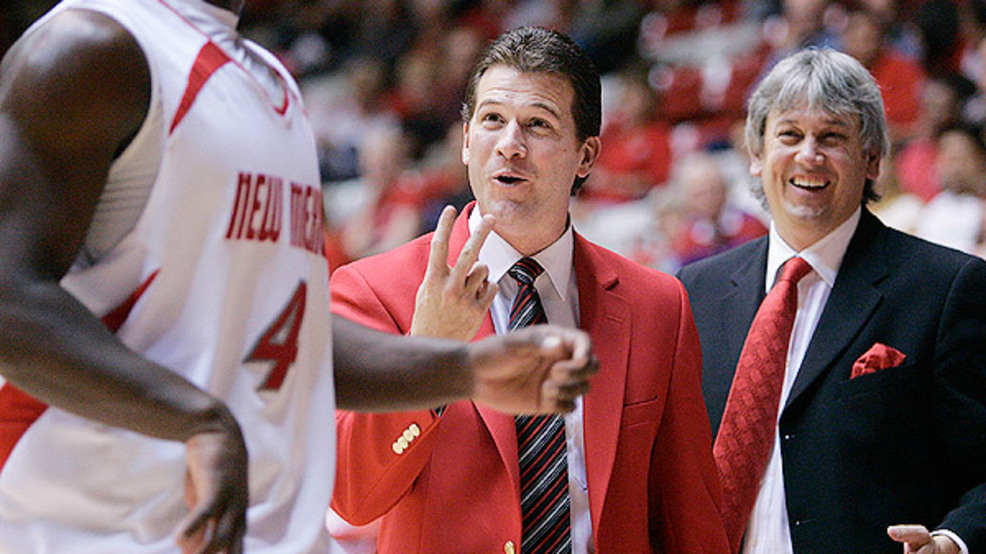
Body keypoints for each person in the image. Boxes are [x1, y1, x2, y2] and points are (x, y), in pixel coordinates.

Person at [0, 2, 598, 553]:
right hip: (92, 527)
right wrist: (196, 417)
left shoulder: (269, 81)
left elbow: (286, 331)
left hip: (254, 530)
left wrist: (460, 368)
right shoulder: (92, 44)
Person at [329, 26, 729, 553]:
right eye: (492, 120)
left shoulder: (658, 304)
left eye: (538, 125)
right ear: (467, 140)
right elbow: (353, 496)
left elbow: (690, 518)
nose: (510, 146)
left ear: (586, 157)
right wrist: (431, 352)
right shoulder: (373, 289)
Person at [677, 48, 986, 553]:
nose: (808, 155)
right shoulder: (695, 291)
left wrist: (954, 539)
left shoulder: (948, 288)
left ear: (872, 159)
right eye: (790, 135)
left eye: (833, 137)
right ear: (755, 155)